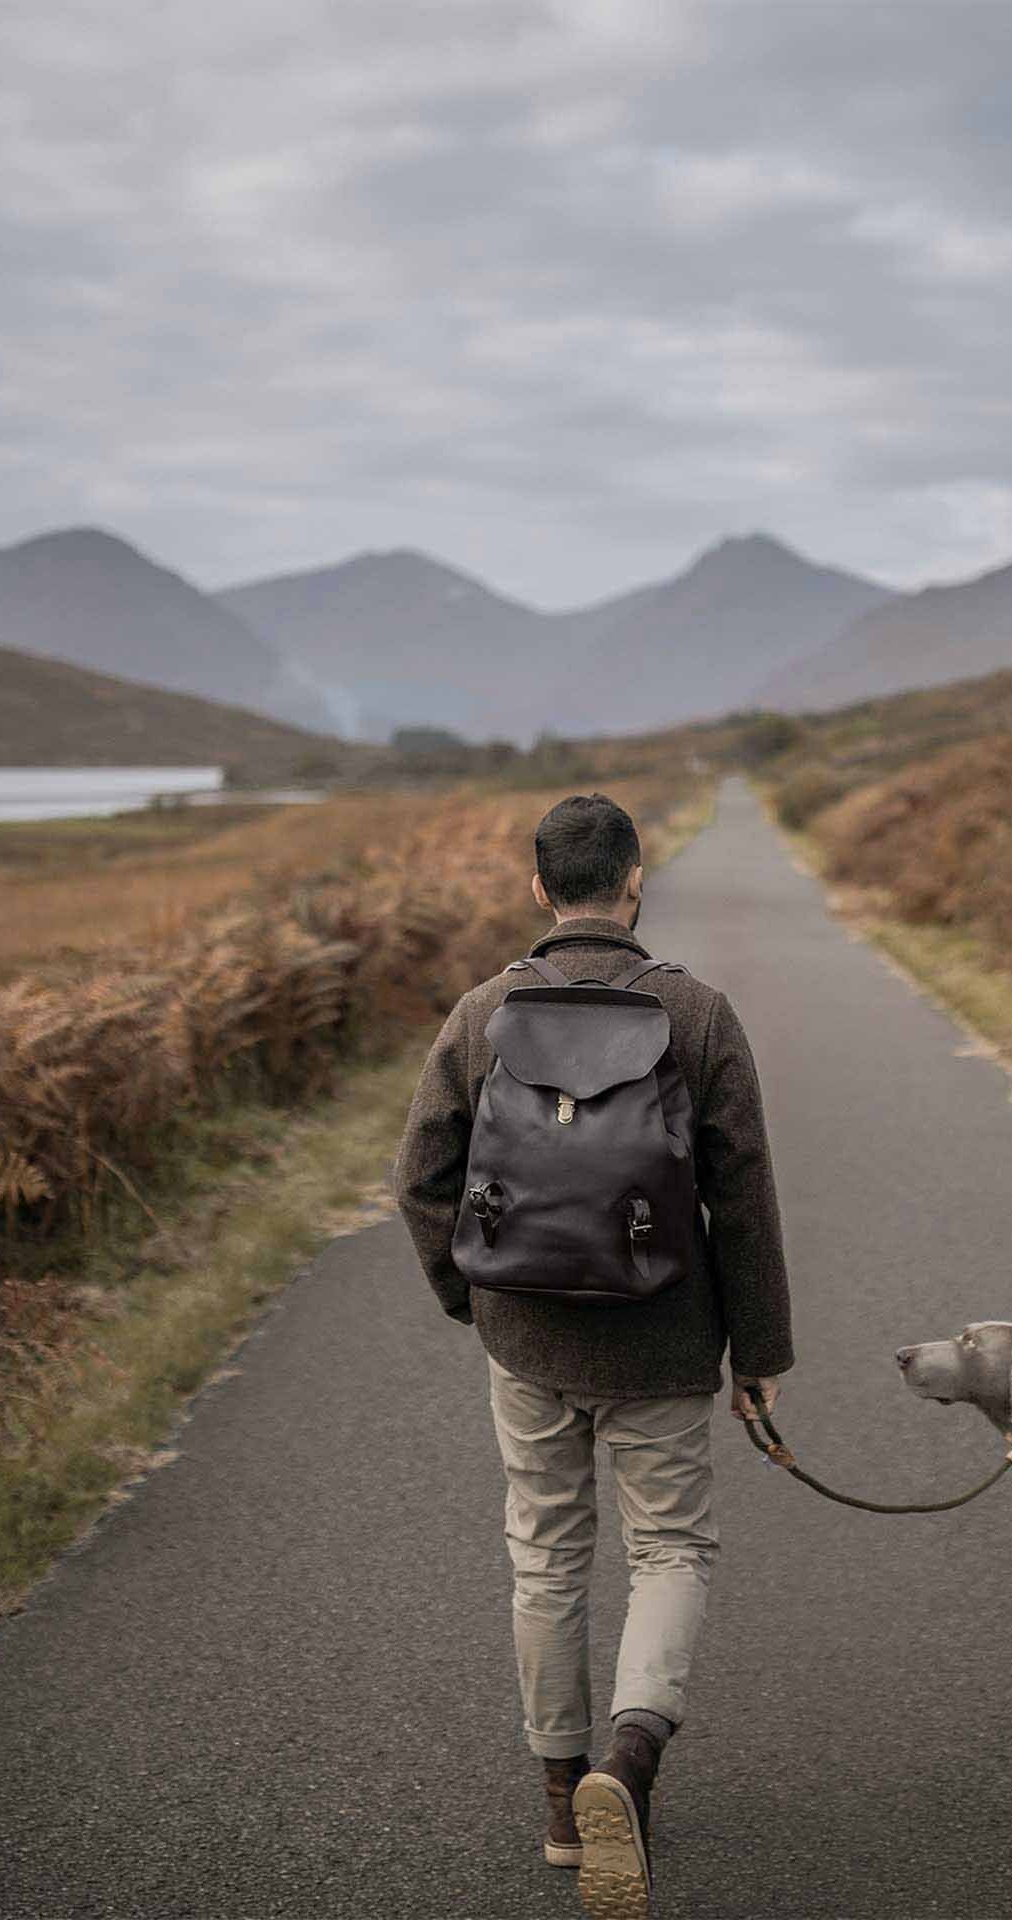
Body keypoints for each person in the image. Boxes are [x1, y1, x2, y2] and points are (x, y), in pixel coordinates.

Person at [392, 791, 793, 1918]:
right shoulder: (699, 1014)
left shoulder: (480, 1015)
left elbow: (418, 1179)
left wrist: (470, 1300)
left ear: (537, 890)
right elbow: (745, 1200)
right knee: (668, 1549)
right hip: (664, 1337)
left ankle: (567, 1804)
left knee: (546, 1554)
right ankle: (633, 1763)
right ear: (633, 883)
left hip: (527, 1337)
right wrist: (757, 1352)